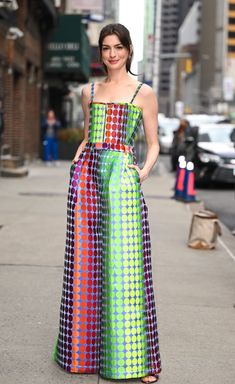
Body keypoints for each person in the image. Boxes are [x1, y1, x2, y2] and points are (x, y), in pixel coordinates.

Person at [51, 23, 162, 383]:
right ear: (100, 53)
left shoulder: (144, 92)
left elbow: (153, 143)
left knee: (127, 268)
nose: (112, 54)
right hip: (87, 179)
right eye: (105, 48)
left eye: (118, 47)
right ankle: (81, 353)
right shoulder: (89, 90)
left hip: (122, 181)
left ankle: (137, 361)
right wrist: (78, 157)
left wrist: (142, 171)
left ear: (129, 50)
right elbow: (87, 134)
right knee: (84, 264)